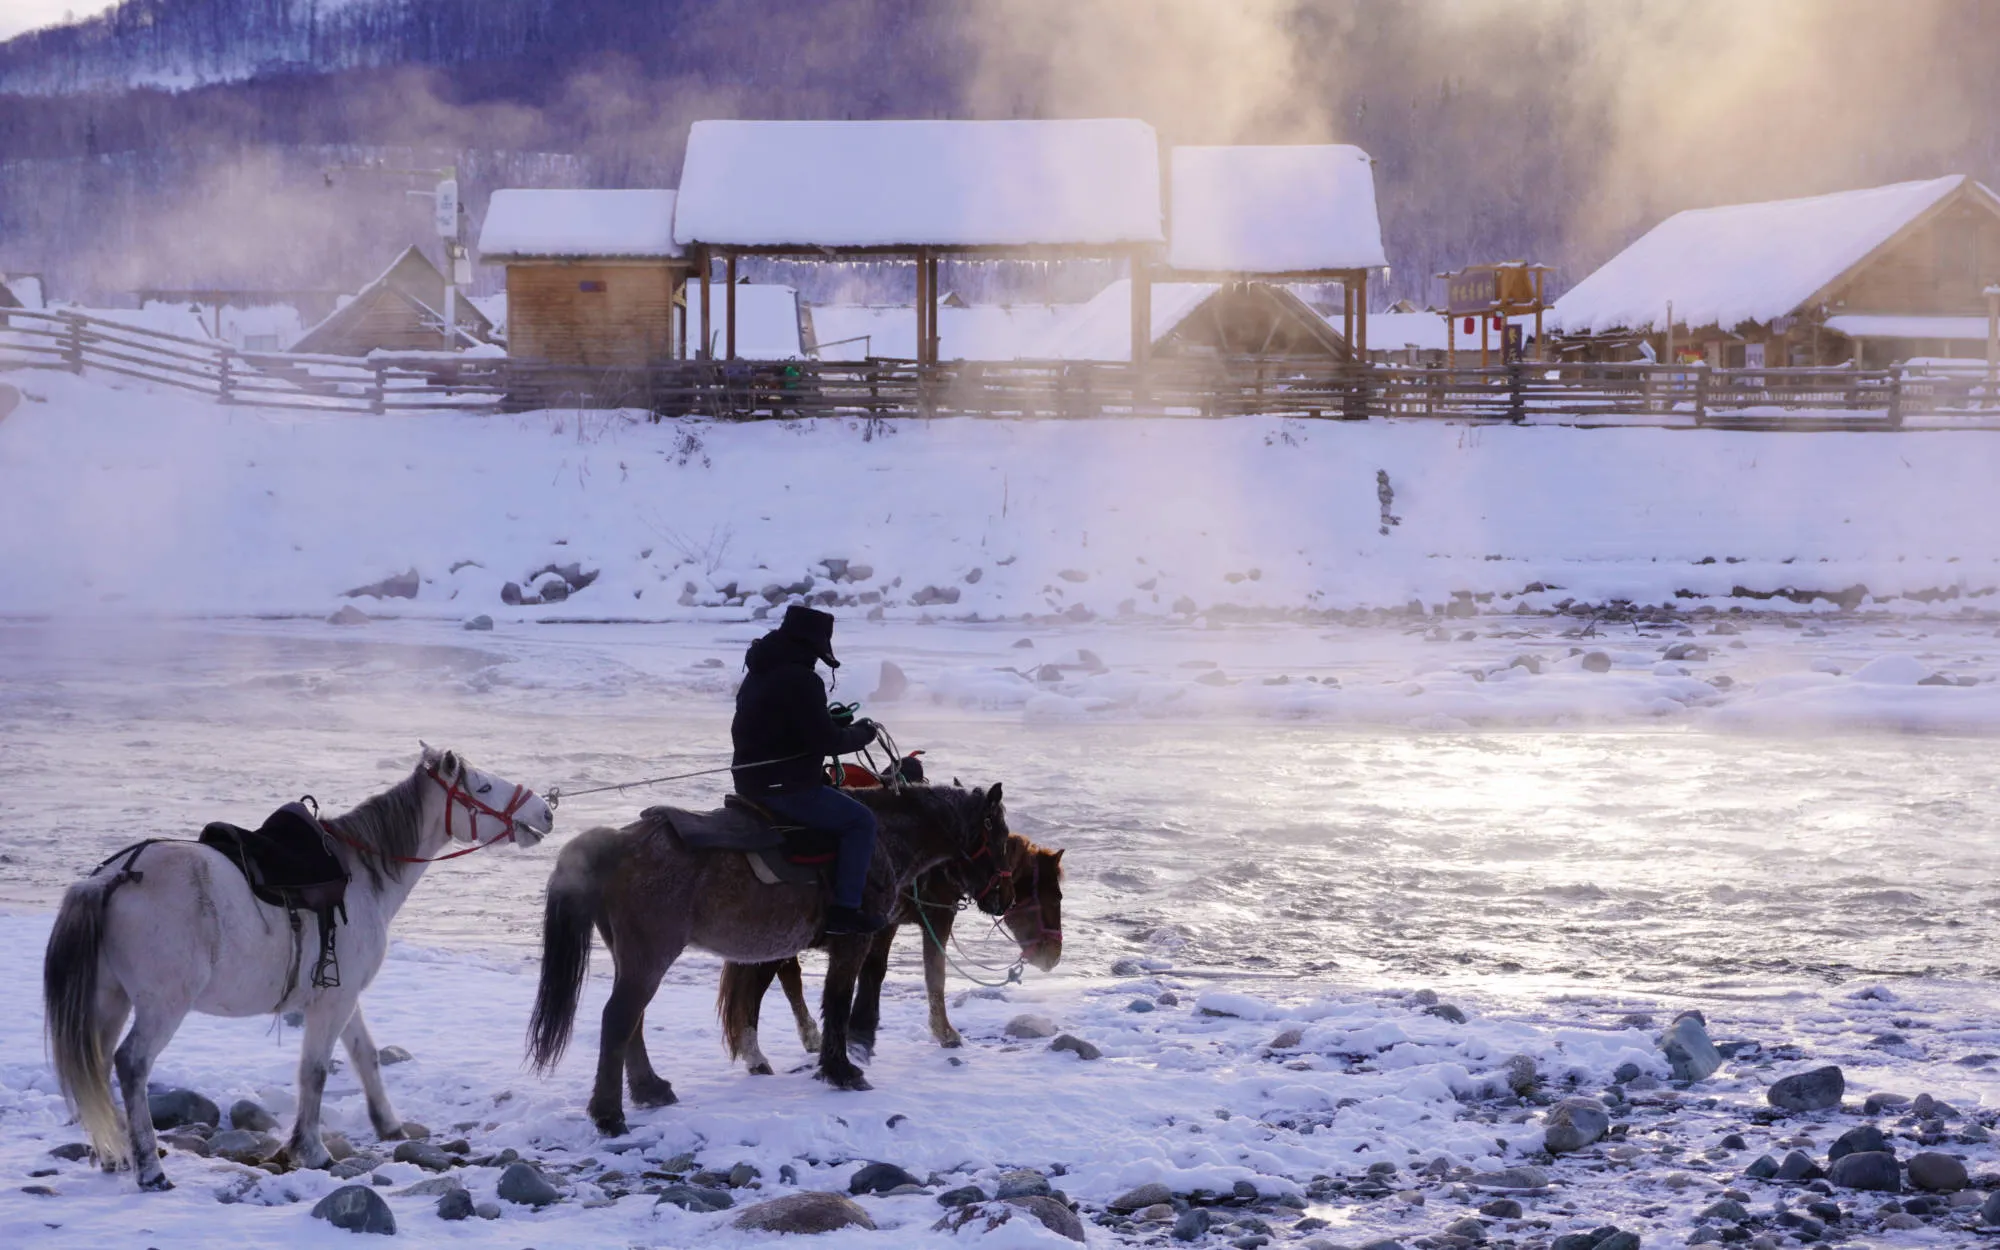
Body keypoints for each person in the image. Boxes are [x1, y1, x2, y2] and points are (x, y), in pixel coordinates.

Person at [731, 605, 885, 934]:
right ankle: (844, 911)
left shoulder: (759, 669)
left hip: (748, 783)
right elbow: (826, 741)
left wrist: (829, 722)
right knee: (861, 822)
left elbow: (786, 725)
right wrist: (862, 734)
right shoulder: (802, 679)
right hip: (787, 788)